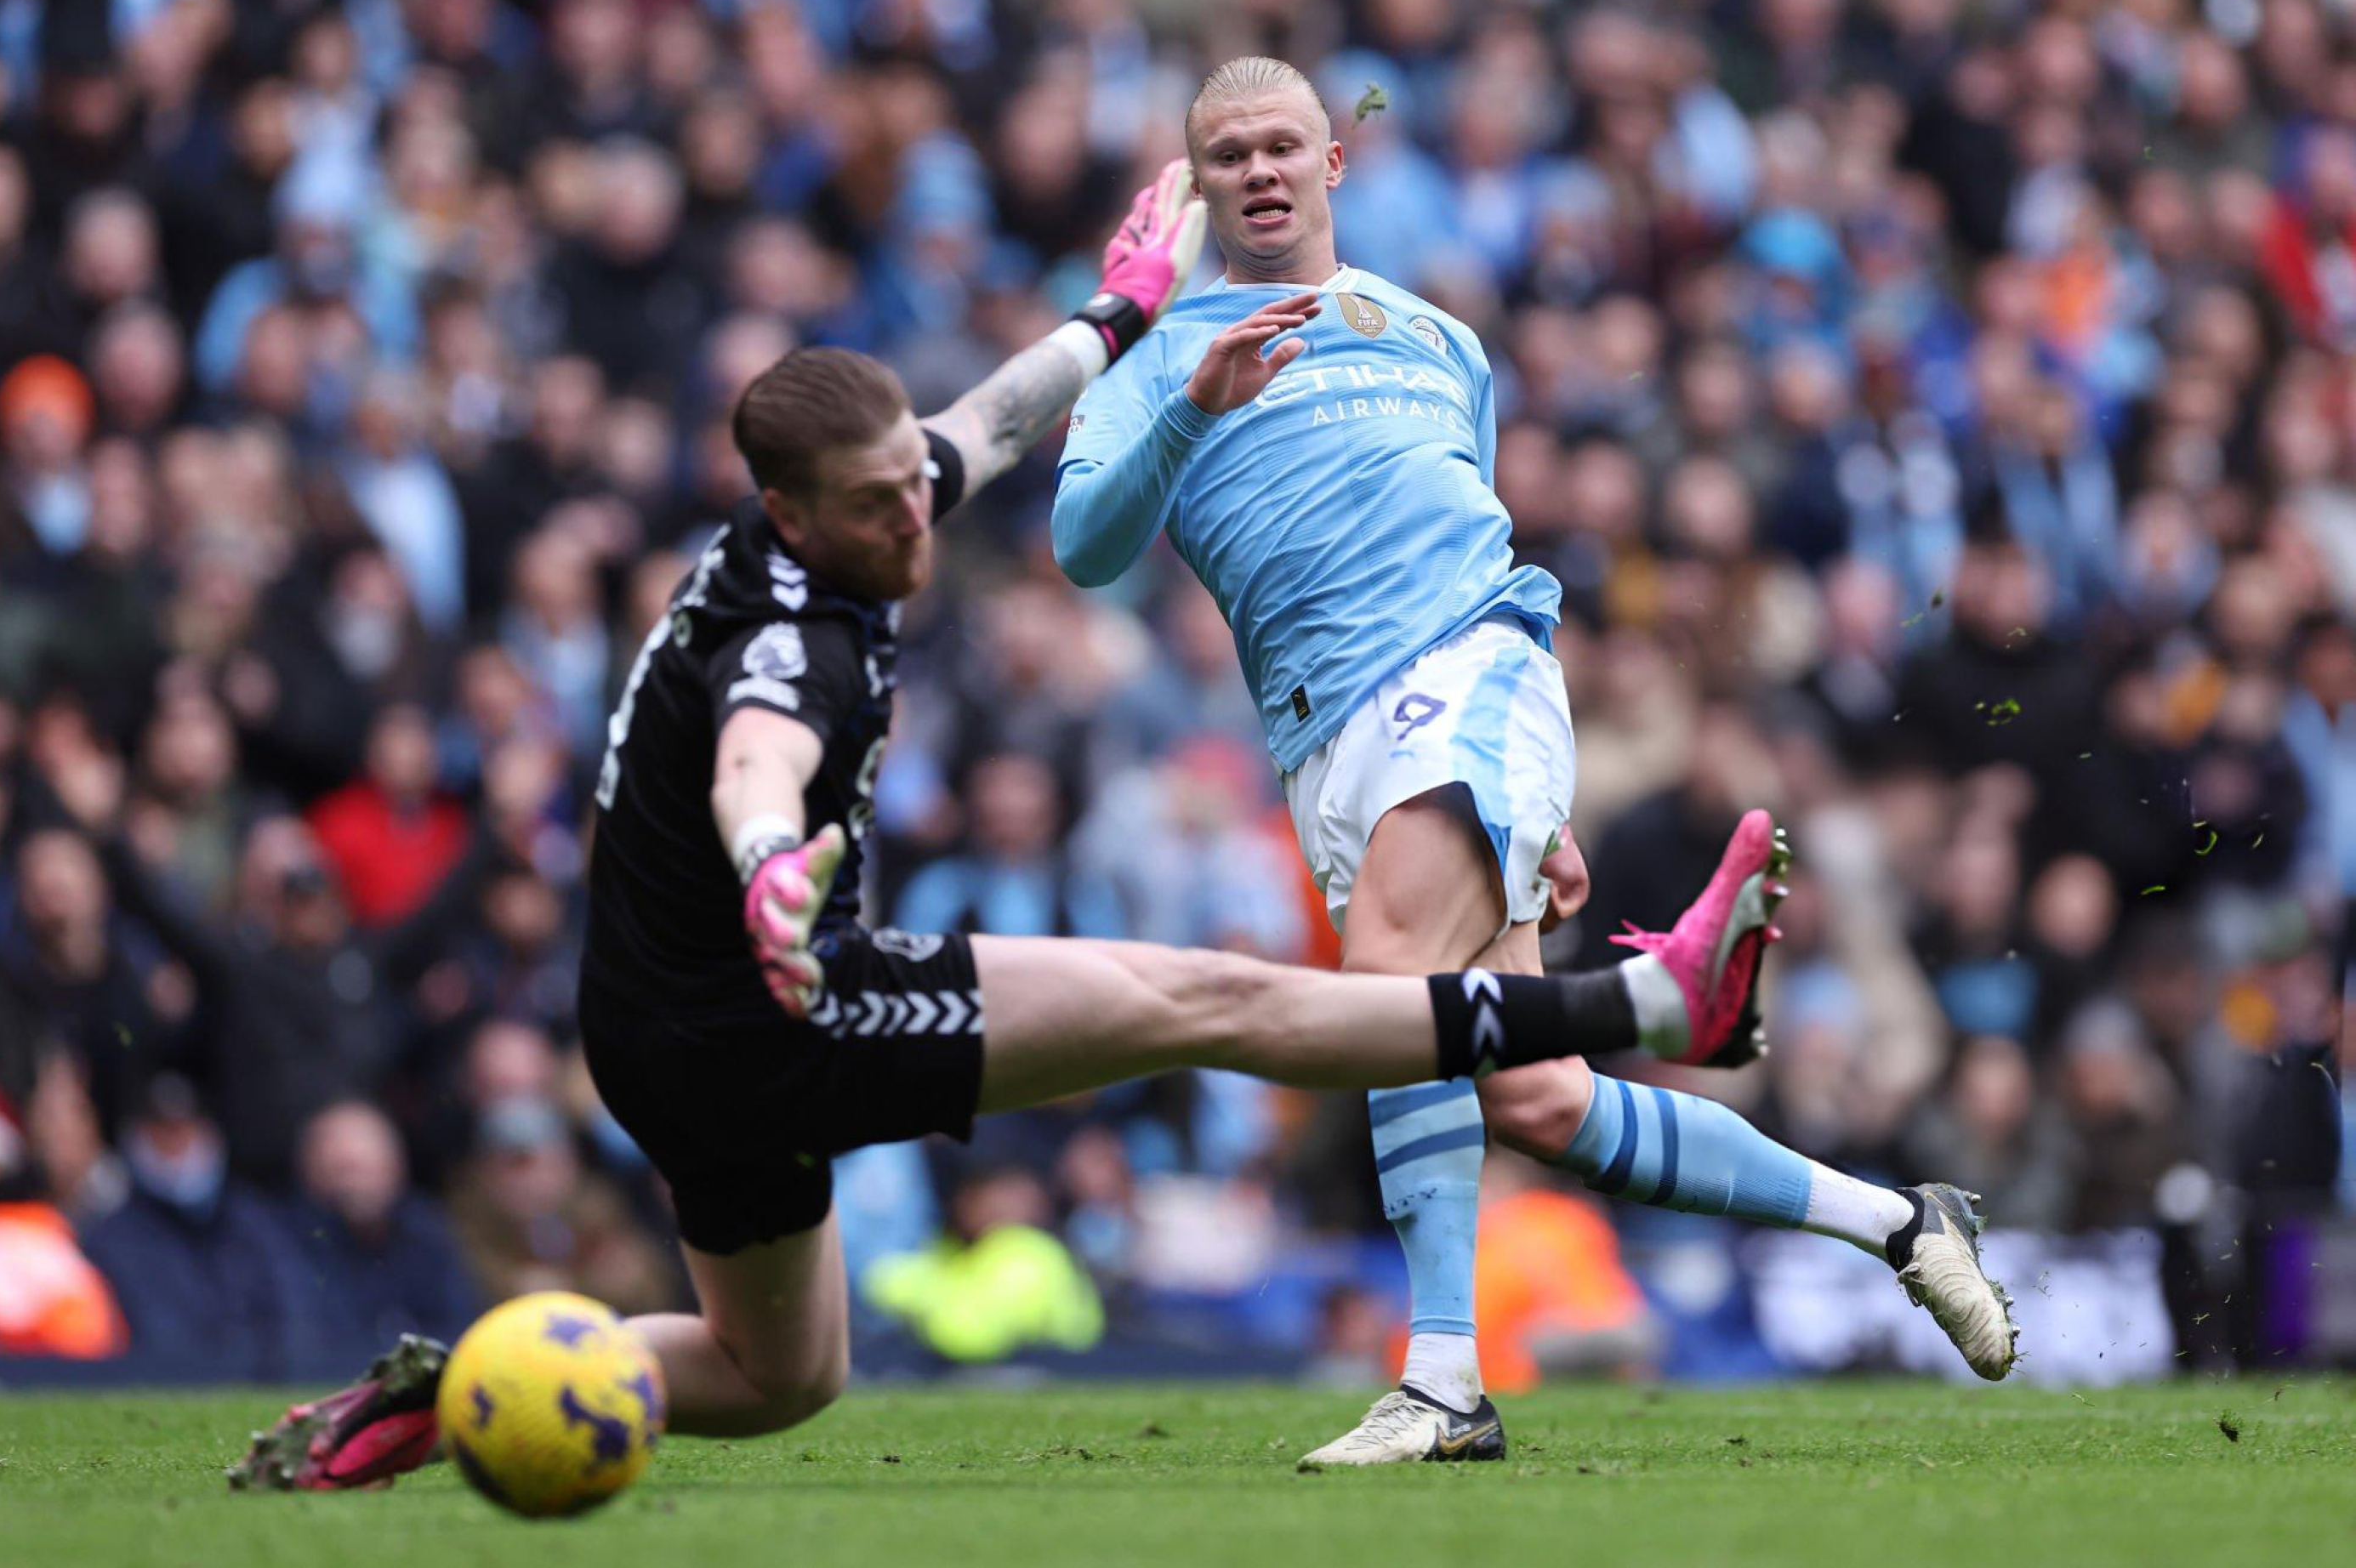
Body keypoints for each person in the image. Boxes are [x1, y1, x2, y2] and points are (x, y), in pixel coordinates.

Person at [226, 167, 1990, 1494]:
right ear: (787, 514)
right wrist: (774, 868)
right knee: (1205, 999)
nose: (916, 528)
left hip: (666, 1025)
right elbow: (758, 759)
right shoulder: (790, 636)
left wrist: (1120, 312)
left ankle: (436, 1400)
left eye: (911, 494)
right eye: (875, 512)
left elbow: (982, 427)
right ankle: (1648, 1010)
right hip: (770, 1007)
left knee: (779, 1378)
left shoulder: (848, 509)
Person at [1050, 60, 2013, 1464]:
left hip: (1466, 672)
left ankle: (1443, 1382)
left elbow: (1476, 545)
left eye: (1281, 146)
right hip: (1324, 741)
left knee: (1387, 977)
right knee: (1532, 1095)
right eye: (1226, 154)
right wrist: (1193, 400)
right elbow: (1084, 550)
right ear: (1195, 187)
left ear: (1335, 166)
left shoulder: (1438, 335)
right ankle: (1902, 1223)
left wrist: (1522, 785)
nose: (1257, 170)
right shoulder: (1146, 358)